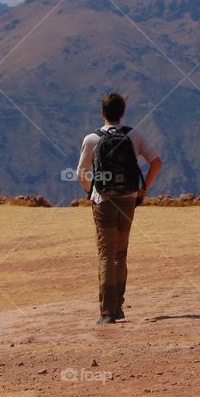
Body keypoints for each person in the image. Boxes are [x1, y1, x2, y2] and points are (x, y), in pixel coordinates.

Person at [76, 92, 162, 325]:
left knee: (106, 255)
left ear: (103, 113)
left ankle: (107, 312)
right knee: (120, 254)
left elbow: (81, 173)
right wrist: (143, 190)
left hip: (102, 201)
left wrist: (89, 192)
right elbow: (156, 162)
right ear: (122, 113)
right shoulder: (134, 136)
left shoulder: (91, 139)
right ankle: (118, 306)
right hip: (128, 200)